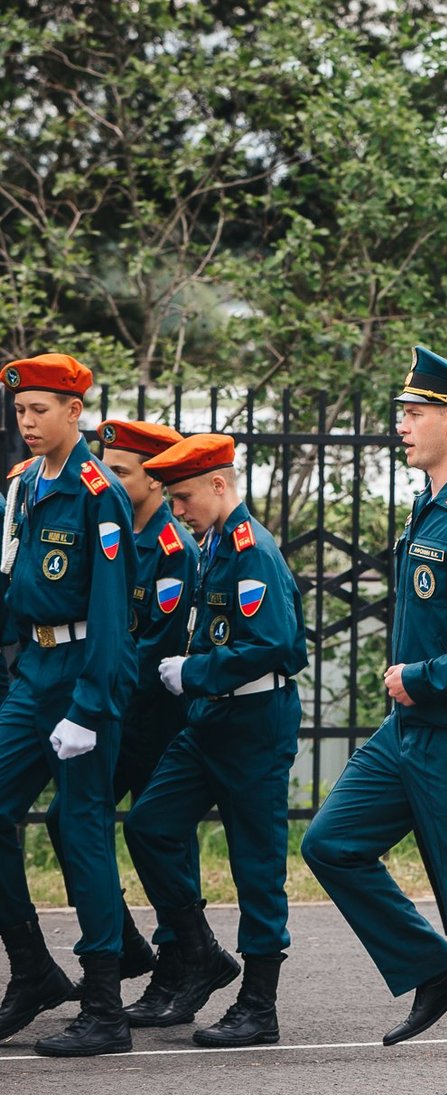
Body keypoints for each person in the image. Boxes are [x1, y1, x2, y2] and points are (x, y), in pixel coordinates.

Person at [300, 348, 447, 1095]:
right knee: (331, 843)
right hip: (410, 732)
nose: (401, 425)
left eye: (414, 413)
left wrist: (423, 678)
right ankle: (434, 968)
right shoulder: (433, 503)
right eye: (403, 412)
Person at [123, 434, 307, 1047]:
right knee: (149, 826)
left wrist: (195, 671)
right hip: (210, 720)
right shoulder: (215, 543)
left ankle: (259, 1004)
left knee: (256, 863)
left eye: (184, 497)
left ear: (219, 485)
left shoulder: (254, 551)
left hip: (254, 722)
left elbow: (275, 645)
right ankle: (200, 952)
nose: (177, 510)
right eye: (172, 499)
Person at [0, 353, 139, 1057]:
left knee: (83, 831)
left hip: (83, 673)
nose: (27, 422)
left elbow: (113, 615)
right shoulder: (26, 485)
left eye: (40, 410)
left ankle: (105, 1007)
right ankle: (32, 971)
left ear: (74, 411)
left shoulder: (98, 492)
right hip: (34, 669)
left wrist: (89, 706)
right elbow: (12, 582)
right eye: (20, 411)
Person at [49, 420, 193, 998]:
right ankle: (128, 944)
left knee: (162, 836)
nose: (109, 479)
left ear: (156, 481)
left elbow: (156, 645)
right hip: (115, 710)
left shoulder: (171, 548)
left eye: (122, 472)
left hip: (151, 717)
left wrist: (101, 689)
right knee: (66, 817)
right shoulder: (110, 529)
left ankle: (182, 959)